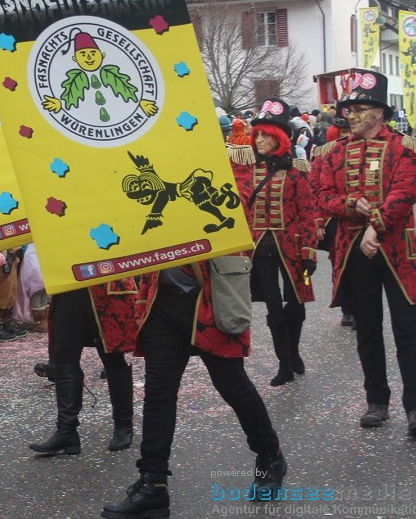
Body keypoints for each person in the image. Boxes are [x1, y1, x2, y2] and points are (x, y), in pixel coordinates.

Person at [101, 262, 286, 518]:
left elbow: (239, 233)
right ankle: (153, 482)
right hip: (160, 299)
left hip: (211, 294)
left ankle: (269, 454)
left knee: (232, 385)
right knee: (158, 392)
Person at [312, 71, 416, 437]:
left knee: (407, 329)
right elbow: (322, 196)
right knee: (367, 329)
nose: (350, 116)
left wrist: (375, 225)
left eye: (359, 109)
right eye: (348, 109)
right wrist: (351, 205)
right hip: (353, 252)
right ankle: (376, 402)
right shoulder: (333, 153)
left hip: (396, 250)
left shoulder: (402, 147)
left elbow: (405, 192)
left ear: (378, 113)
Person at [230, 97, 318, 386]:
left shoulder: (296, 171)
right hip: (260, 250)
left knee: (296, 304)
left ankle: (293, 351)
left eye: (268, 135)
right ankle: (285, 363)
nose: (261, 140)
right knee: (273, 308)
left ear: (280, 138)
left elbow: (307, 212)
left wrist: (309, 251)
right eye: (258, 135)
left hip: (292, 247)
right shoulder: (247, 171)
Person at [30, 280, 137, 456]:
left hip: (105, 284)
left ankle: (123, 425)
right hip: (68, 286)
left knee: (112, 358)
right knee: (64, 359)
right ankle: (66, 432)